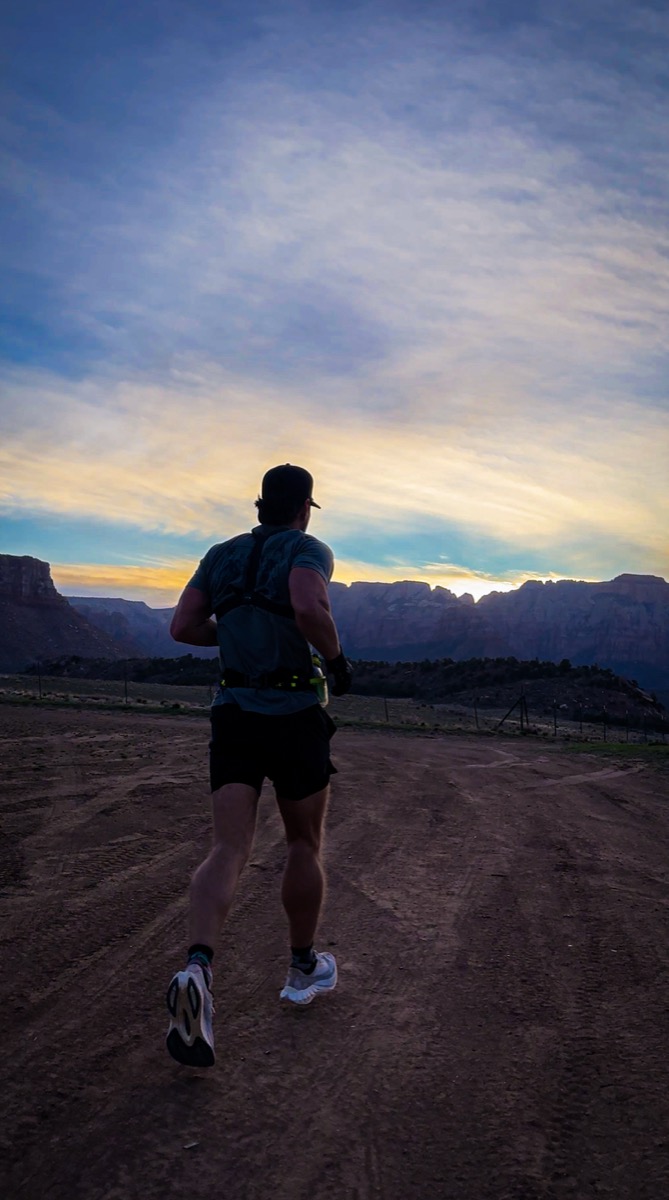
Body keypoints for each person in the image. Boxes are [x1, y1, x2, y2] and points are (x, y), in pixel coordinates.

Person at [165, 464, 353, 1067]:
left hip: (234, 713)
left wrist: (234, 635)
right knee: (302, 842)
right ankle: (302, 968)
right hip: (295, 713)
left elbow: (183, 626)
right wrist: (337, 660)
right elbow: (307, 605)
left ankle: (198, 970)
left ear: (259, 505)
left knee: (227, 847)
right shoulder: (308, 548)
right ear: (303, 509)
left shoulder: (220, 555)